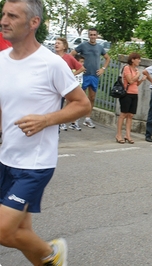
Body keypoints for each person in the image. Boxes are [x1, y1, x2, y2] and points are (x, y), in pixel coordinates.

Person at [0, 0, 91, 265]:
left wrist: (46, 120)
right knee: (22, 231)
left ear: (33, 23)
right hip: (7, 159)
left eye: (12, 16)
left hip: (35, 164)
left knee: (4, 231)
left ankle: (53, 255)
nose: (4, 20)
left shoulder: (51, 63)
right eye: (3, 14)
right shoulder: (1, 60)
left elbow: (82, 105)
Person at [70, 28, 110, 129]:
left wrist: (103, 69)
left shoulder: (99, 47)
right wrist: (78, 67)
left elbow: (107, 58)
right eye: (91, 34)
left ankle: (87, 118)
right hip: (84, 76)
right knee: (79, 98)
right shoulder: (83, 45)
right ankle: (75, 120)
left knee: (92, 97)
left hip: (94, 75)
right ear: (88, 36)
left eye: (94, 35)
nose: (92, 36)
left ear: (97, 36)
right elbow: (72, 55)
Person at [54, 37, 85, 131]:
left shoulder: (68, 58)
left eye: (58, 43)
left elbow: (81, 68)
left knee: (62, 104)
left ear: (64, 46)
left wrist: (72, 74)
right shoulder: (52, 57)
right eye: (55, 43)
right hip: (53, 86)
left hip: (64, 86)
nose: (56, 44)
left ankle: (60, 123)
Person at [115, 52, 147, 144]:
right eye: (138, 59)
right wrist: (137, 75)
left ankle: (128, 135)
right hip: (126, 94)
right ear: (133, 60)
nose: (139, 61)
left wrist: (141, 80)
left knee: (130, 115)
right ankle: (119, 135)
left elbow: (136, 83)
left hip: (134, 94)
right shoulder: (127, 68)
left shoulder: (136, 70)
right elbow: (130, 80)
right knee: (123, 114)